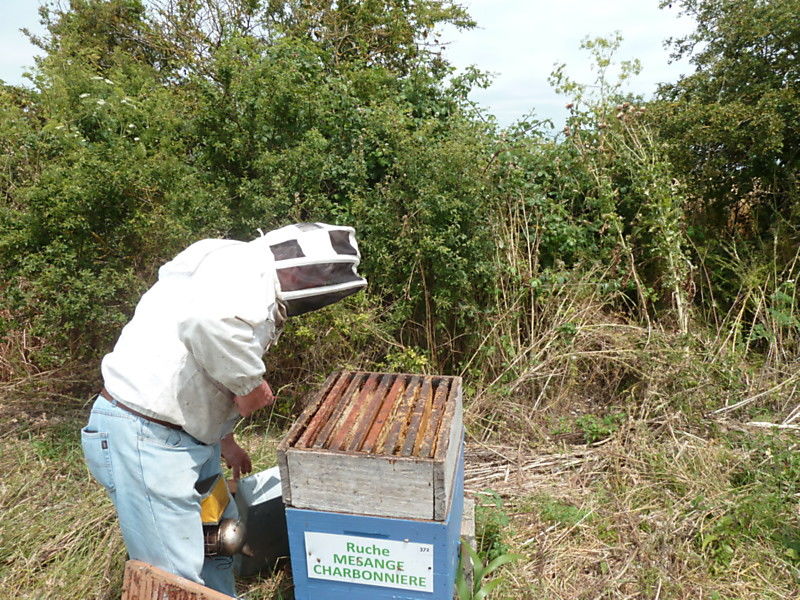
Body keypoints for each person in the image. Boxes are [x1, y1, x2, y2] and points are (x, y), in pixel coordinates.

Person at [80, 223, 367, 597]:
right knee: (173, 577)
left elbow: (195, 361)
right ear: (299, 267)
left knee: (221, 541)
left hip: (184, 440)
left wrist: (226, 440)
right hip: (147, 439)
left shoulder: (227, 264)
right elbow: (204, 325)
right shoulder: (247, 267)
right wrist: (249, 383)